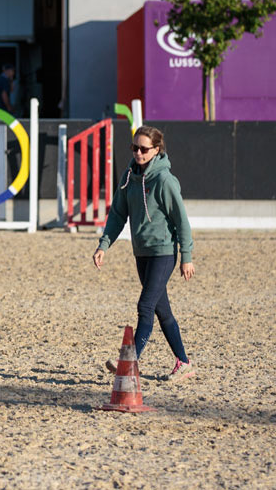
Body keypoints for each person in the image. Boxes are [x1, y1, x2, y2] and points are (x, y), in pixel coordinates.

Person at [92, 125, 196, 381]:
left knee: (145, 305)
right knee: (163, 311)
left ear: (156, 150)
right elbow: (117, 214)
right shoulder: (129, 177)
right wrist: (104, 245)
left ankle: (128, 363)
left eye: (144, 149)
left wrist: (187, 256)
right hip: (142, 253)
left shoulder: (164, 181)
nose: (138, 153)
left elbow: (181, 220)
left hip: (163, 253)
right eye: (134, 148)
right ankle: (184, 362)